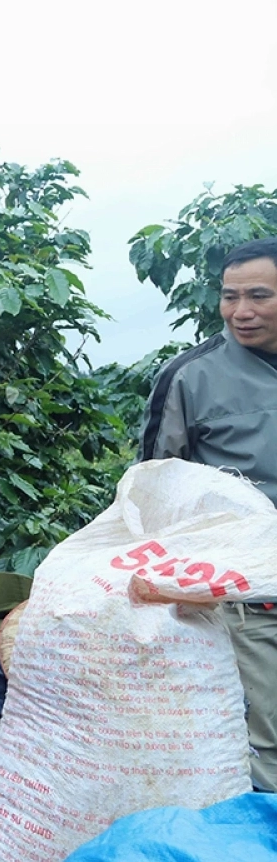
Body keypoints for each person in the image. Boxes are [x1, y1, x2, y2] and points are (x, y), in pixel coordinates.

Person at [140, 236, 277, 793]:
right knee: (264, 741)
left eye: (260, 296)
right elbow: (152, 490)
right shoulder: (191, 377)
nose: (241, 311)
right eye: (230, 297)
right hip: (250, 600)